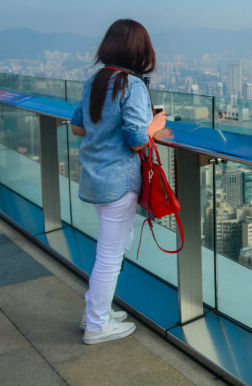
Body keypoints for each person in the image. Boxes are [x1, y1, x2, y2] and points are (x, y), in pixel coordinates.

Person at [70, 19, 167, 344]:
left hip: (95, 178)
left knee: (113, 247)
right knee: (109, 256)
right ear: (140, 52)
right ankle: (96, 325)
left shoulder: (95, 81)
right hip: (119, 182)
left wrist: (107, 129)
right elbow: (137, 139)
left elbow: (78, 127)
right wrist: (156, 125)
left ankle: (96, 313)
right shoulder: (132, 85)